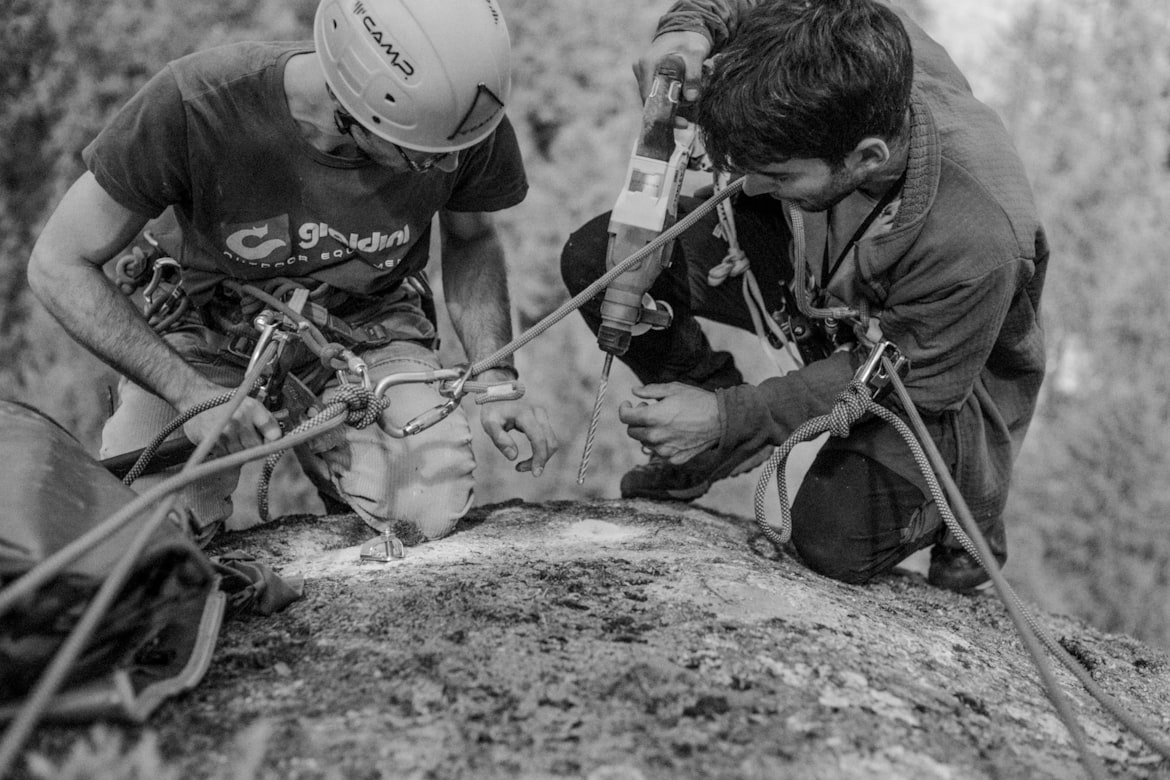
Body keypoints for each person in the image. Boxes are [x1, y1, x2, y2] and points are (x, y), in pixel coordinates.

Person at [27, 0, 558, 546]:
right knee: (151, 533)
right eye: (422, 157)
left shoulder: (452, 120)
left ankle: (337, 458)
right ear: (353, 110)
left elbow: (472, 238)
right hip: (211, 329)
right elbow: (57, 264)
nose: (447, 167)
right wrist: (186, 393)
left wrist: (496, 381)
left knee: (426, 503)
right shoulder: (198, 106)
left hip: (365, 326)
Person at [561, 0, 1048, 591]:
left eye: (779, 175)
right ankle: (713, 436)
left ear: (868, 156)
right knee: (604, 264)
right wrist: (687, 30)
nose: (750, 186)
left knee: (833, 541)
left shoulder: (978, 234)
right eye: (745, 167)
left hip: (930, 380)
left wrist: (732, 417)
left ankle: (968, 512)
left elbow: (911, 378)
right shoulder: (829, 38)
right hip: (816, 272)